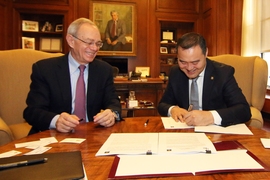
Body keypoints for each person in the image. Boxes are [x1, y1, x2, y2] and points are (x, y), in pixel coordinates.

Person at [23, 18, 121, 134]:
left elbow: (113, 102)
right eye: (89, 42)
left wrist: (112, 114)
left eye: (98, 43)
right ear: (71, 41)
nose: (95, 48)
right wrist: (56, 121)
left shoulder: (104, 70)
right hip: (54, 136)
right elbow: (32, 111)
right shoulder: (45, 69)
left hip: (91, 135)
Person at [158, 32, 251, 127]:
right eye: (183, 62)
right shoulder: (176, 72)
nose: (189, 68)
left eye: (195, 62)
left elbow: (244, 110)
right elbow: (162, 104)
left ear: (206, 53)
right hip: (185, 130)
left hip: (216, 132)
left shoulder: (223, 73)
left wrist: (210, 117)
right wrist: (173, 109)